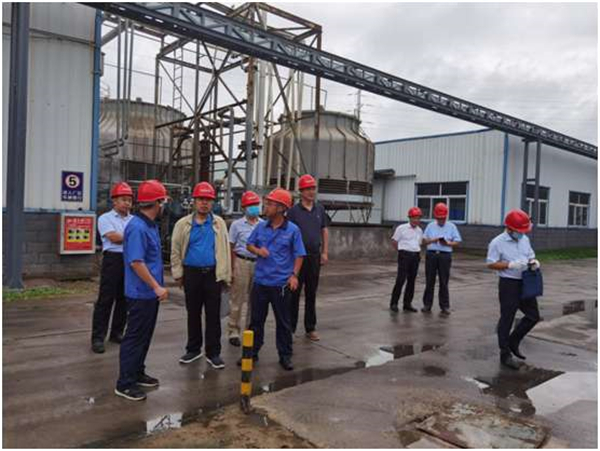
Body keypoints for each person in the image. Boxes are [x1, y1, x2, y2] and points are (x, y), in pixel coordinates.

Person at [115, 180, 169, 401]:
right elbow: (136, 262)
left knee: (144, 336)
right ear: (157, 203)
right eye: (163, 201)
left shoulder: (150, 225)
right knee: (135, 337)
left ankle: (137, 372)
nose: (164, 206)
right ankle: (125, 383)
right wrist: (156, 286)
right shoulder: (138, 227)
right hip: (141, 293)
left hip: (148, 293)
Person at [171, 182, 231, 369]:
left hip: (212, 274)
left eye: (208, 200)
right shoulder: (183, 224)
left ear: (213, 202)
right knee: (193, 313)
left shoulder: (219, 223)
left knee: (213, 315)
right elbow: (175, 250)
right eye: (201, 199)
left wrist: (226, 275)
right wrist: (178, 273)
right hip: (192, 274)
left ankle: (213, 353)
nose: (204, 203)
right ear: (194, 201)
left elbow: (225, 250)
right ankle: (193, 349)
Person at [245, 188, 306, 371]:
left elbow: (299, 254)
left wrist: (294, 275)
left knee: (283, 323)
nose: (266, 207)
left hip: (281, 285)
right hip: (260, 283)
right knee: (256, 321)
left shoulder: (293, 230)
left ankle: (285, 355)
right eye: (267, 203)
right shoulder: (260, 227)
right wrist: (258, 251)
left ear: (281, 208)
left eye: (270, 204)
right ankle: (252, 353)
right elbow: (249, 245)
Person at [487, 209, 541, 370]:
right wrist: (509, 265)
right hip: (508, 283)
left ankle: (514, 340)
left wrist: (534, 262)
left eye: (524, 231)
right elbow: (490, 263)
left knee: (533, 316)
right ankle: (505, 354)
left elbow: (530, 255)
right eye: (519, 231)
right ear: (509, 228)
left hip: (525, 281)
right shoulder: (497, 242)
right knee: (507, 318)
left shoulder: (524, 239)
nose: (522, 233)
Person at [91, 182, 133, 354]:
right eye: (123, 199)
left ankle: (116, 333)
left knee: (124, 299)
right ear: (114, 201)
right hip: (112, 260)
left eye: (129, 200)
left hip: (129, 260)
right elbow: (113, 238)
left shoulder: (133, 220)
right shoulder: (105, 218)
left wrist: (127, 237)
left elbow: (128, 237)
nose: (127, 203)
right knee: (106, 299)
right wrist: (131, 237)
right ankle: (98, 338)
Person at [287, 174, 329, 341]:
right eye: (308, 189)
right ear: (301, 191)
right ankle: (290, 329)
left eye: (313, 188)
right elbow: (287, 234)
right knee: (293, 294)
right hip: (297, 258)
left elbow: (324, 230)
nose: (311, 192)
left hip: (314, 257)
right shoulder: (293, 212)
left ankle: (310, 328)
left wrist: (325, 252)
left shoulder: (320, 209)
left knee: (311, 293)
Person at [227, 191, 263, 347]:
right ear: (244, 208)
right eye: (250, 205)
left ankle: (250, 329)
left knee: (255, 300)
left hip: (258, 263)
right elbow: (231, 246)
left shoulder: (263, 224)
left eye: (255, 205)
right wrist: (231, 268)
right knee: (237, 298)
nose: (253, 208)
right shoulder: (236, 225)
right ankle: (233, 331)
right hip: (241, 262)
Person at [422, 202, 462, 315]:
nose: (441, 220)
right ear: (435, 216)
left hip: (445, 255)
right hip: (432, 254)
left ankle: (444, 306)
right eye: (439, 218)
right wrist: (433, 240)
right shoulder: (430, 226)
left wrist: (448, 243)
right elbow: (423, 241)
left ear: (446, 216)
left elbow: (457, 241)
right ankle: (427, 304)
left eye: (443, 218)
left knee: (444, 281)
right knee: (429, 280)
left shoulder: (452, 226)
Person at [389, 207, 423, 313]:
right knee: (400, 279)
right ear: (410, 218)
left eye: (418, 218)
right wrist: (401, 252)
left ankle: (407, 304)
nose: (416, 220)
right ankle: (394, 303)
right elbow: (394, 241)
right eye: (414, 218)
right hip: (404, 255)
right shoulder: (401, 228)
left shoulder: (419, 230)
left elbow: (419, 243)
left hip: (415, 256)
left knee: (411, 281)